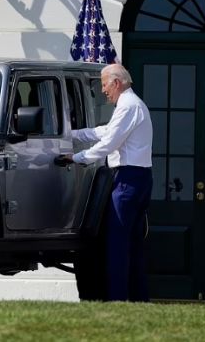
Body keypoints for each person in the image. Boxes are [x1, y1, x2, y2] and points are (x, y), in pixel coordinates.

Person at [60, 63, 153, 302]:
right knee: (132, 244)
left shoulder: (129, 105)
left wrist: (77, 157)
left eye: (104, 84)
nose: (102, 90)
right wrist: (73, 134)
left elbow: (109, 142)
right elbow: (106, 131)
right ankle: (138, 299)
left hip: (127, 180)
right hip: (137, 178)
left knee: (118, 244)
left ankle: (118, 299)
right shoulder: (130, 105)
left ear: (117, 82)